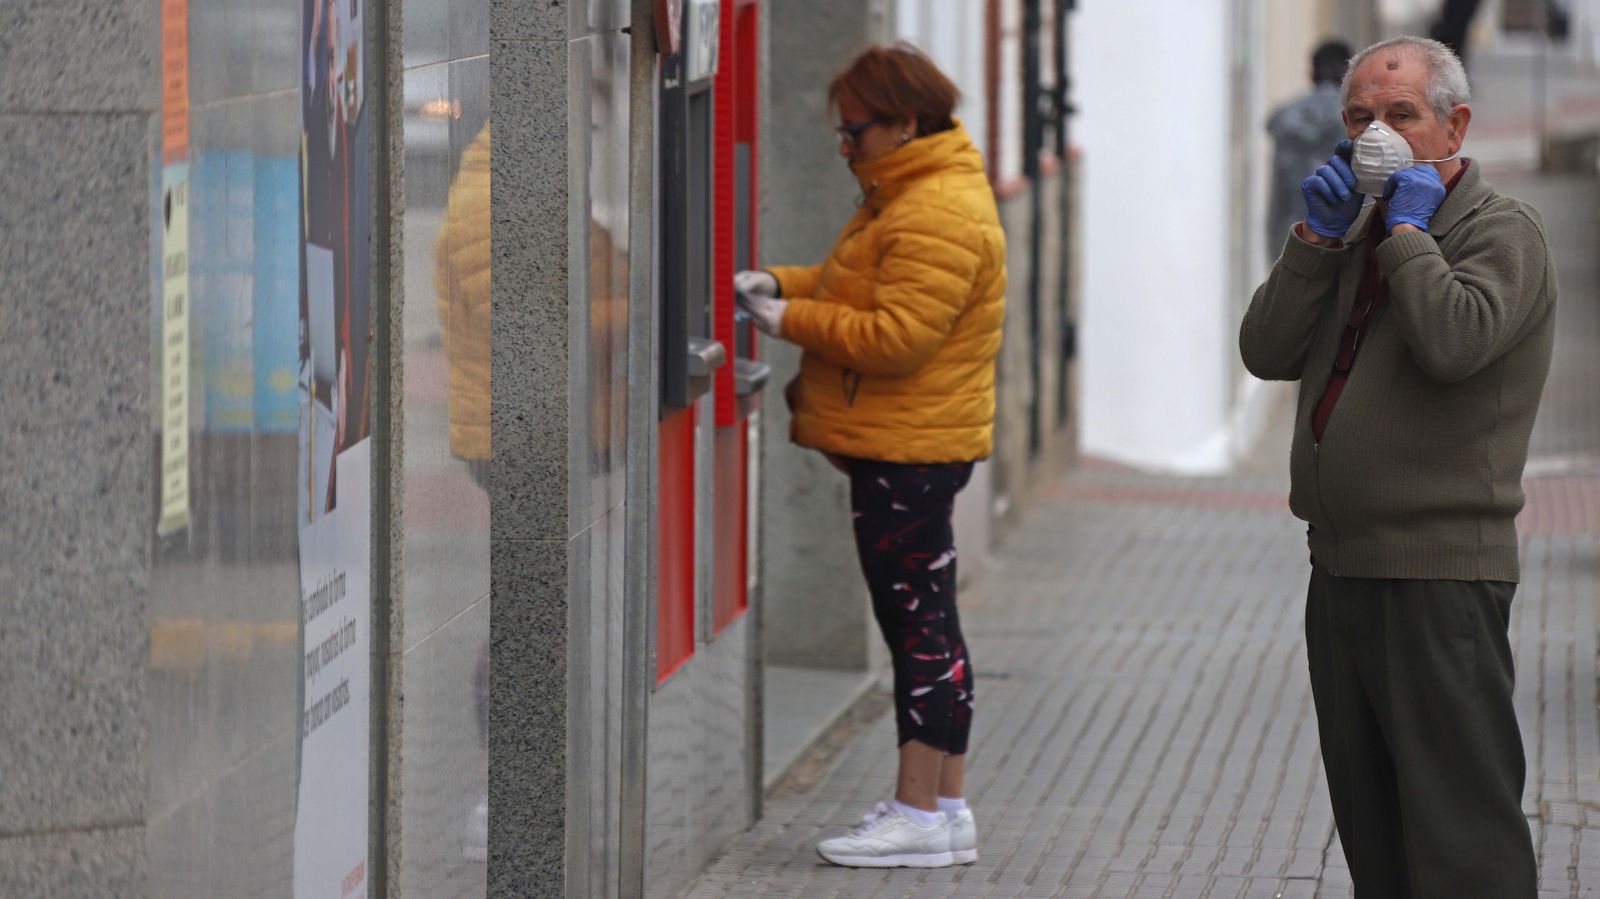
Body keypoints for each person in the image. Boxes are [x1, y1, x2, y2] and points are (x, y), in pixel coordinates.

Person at [1240, 36, 1553, 897]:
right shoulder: (1357, 226)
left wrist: (1410, 233)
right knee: (1374, 819)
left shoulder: (1501, 232)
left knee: (1460, 828)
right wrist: (1316, 239)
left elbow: (1456, 340)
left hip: (1437, 574)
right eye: (1360, 118)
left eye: (1400, 116)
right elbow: (1266, 350)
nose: (1376, 134)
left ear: (1454, 123)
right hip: (1340, 566)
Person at [735, 43, 1006, 869]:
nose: (847, 146)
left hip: (908, 449)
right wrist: (780, 284)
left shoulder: (935, 209)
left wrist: (787, 323)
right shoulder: (911, 194)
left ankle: (918, 810)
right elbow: (856, 285)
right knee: (930, 623)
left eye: (856, 131)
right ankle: (946, 805)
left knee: (916, 628)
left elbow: (895, 337)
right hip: (911, 443)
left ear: (905, 121)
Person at [1266, 39, 1351, 263]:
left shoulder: (1287, 120)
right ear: (1348, 73)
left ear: (1312, 73)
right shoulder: (1356, 117)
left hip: (1293, 241)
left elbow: (1278, 200)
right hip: (1346, 244)